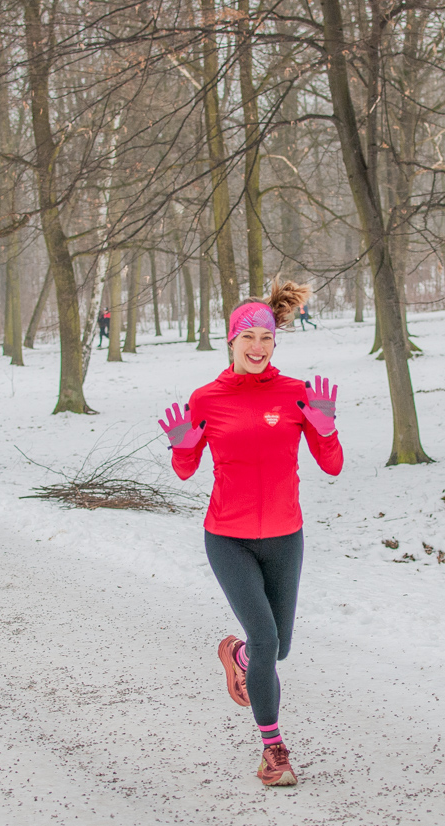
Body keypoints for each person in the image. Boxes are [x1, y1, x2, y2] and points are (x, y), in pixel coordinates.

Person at [158, 281, 342, 787]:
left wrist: (326, 432)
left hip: (286, 536)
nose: (258, 347)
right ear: (231, 342)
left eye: (266, 337)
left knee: (277, 649)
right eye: (248, 338)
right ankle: (273, 750)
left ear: (275, 343)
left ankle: (238, 656)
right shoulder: (207, 398)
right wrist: (182, 446)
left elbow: (332, 466)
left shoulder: (295, 394)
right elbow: (185, 471)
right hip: (228, 537)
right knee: (266, 636)